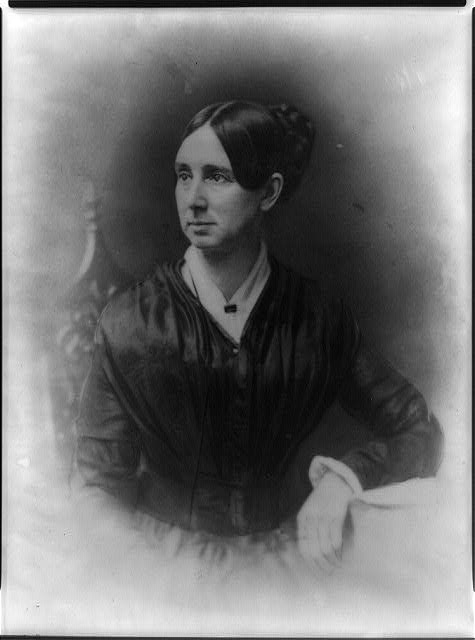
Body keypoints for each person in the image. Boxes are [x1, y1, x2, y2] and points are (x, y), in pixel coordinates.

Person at [73, 100, 443, 571]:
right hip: (161, 566)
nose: (194, 198)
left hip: (286, 558)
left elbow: (419, 429)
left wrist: (342, 481)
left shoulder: (318, 320)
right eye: (184, 175)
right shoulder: (130, 322)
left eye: (218, 177)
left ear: (268, 193)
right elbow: (95, 492)